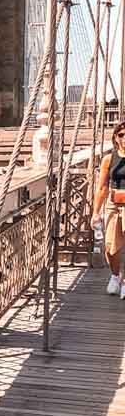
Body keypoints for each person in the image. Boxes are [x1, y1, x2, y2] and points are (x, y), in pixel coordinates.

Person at [92, 121, 125, 297]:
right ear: (115, 138)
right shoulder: (109, 158)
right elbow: (102, 187)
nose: (124, 138)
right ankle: (115, 275)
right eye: (121, 135)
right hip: (113, 203)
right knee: (110, 246)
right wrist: (96, 212)